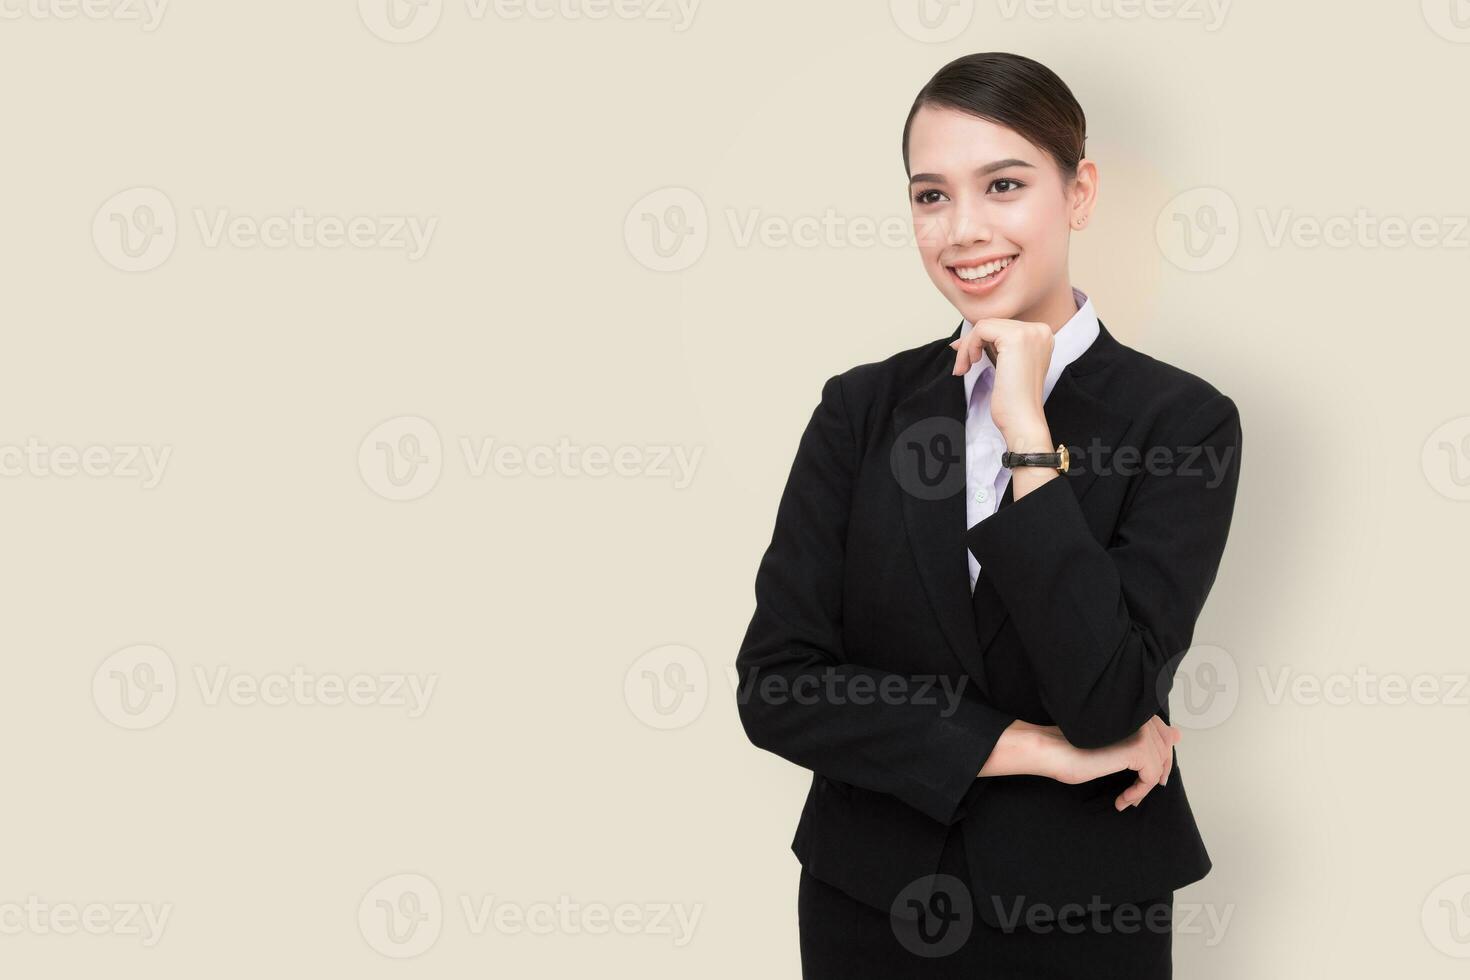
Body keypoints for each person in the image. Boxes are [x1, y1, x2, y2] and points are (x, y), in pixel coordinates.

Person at [734, 52, 1244, 978]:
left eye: (1003, 185)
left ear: (1078, 192)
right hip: (869, 906)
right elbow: (779, 687)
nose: (962, 230)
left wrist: (1025, 431)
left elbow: (1107, 698)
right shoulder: (859, 410)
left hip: (1084, 913)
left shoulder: (1183, 422)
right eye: (930, 196)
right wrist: (1024, 750)